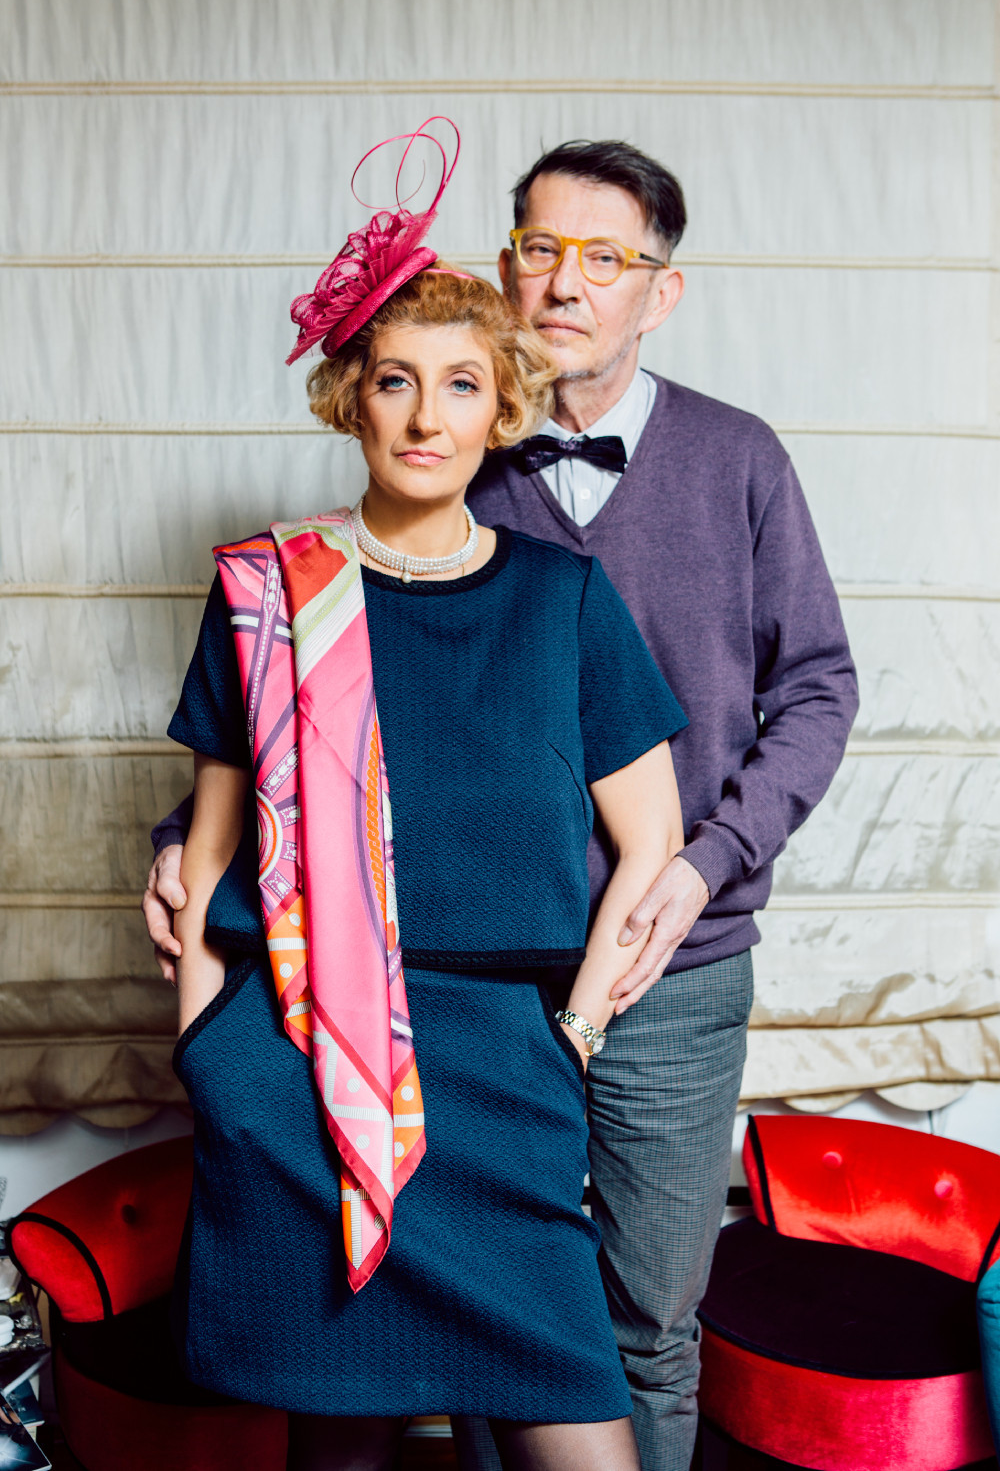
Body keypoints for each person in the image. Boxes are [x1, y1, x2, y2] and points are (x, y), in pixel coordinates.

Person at [146, 137, 859, 1471]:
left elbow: (816, 689)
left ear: (661, 288)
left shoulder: (729, 465)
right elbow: (287, 742)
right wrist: (206, 994)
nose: (566, 280)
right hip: (356, 1010)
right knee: (372, 1402)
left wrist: (699, 874)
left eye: (606, 257)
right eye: (541, 247)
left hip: (645, 973)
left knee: (638, 1332)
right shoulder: (401, 498)